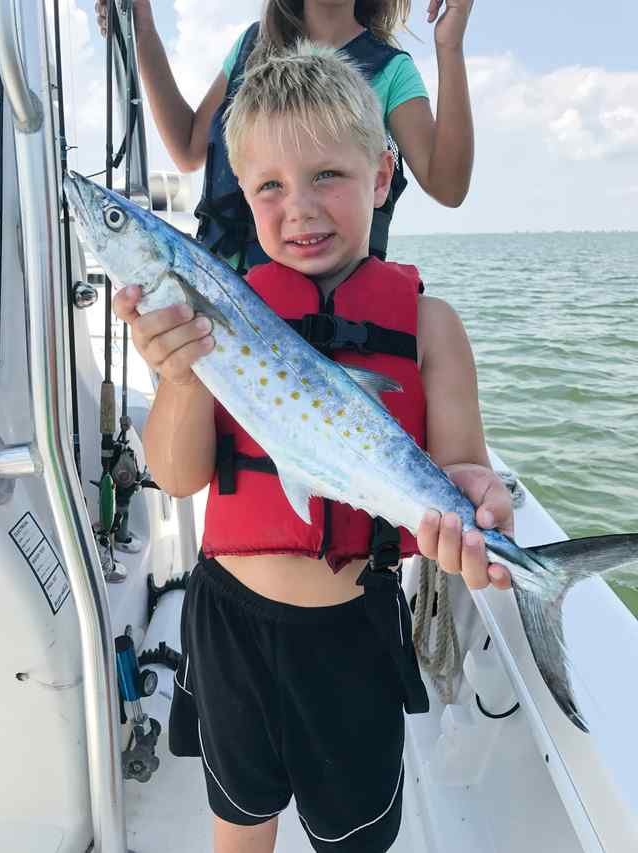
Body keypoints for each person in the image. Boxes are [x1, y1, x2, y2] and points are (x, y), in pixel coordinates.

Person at [113, 43, 512, 853]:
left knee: (353, 837)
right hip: (228, 628)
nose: (299, 208)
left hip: (354, 635)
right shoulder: (215, 312)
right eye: (269, 187)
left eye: (326, 175)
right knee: (239, 820)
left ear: (382, 176)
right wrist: (184, 376)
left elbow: (463, 469)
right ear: (244, 197)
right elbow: (178, 475)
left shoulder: (431, 327)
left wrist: (477, 507)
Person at [95, 0, 474, 271]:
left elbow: (448, 187)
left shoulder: (392, 69)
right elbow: (188, 149)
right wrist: (142, 30)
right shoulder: (250, 46)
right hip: (227, 295)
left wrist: (449, 45)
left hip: (328, 309)